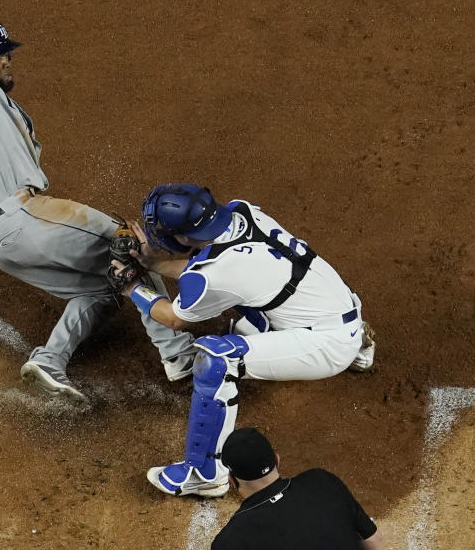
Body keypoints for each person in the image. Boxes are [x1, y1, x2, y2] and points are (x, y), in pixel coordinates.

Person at [0, 0, 197, 400]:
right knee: (129, 245)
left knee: (102, 289)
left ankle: (49, 359)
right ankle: (179, 354)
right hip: (22, 217)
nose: (8, 58)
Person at [117, 183, 377, 496]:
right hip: (337, 305)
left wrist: (133, 287)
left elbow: (173, 317)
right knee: (252, 302)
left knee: (216, 360)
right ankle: (362, 342)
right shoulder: (243, 210)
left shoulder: (215, 274)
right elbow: (214, 264)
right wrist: (152, 264)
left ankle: (205, 473)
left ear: (185, 236)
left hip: (327, 344)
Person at [212, 427, 387, 550]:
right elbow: (375, 541)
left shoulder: (230, 541)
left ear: (232, 481)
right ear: (277, 459)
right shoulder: (322, 482)